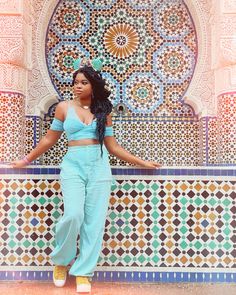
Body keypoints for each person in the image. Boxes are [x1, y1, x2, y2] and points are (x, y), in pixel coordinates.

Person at [10, 57, 161, 293]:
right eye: (76, 82)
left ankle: (83, 271)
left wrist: (142, 162)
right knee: (73, 214)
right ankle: (61, 262)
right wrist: (26, 159)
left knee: (94, 223)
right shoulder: (63, 108)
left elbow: (113, 146)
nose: (77, 86)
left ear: (93, 85)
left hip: (99, 166)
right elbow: (50, 139)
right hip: (73, 165)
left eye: (83, 82)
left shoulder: (103, 111)